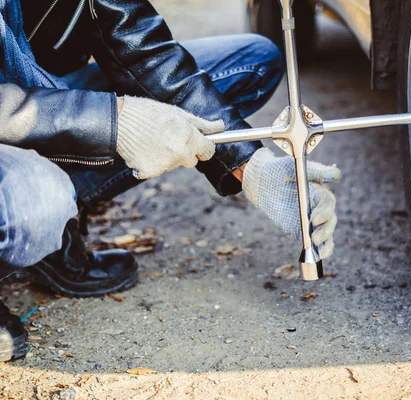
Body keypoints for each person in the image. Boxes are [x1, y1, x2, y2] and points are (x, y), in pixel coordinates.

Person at [0, 0, 340, 361]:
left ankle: (52, 225)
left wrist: (249, 164)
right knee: (38, 200)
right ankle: (35, 209)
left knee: (251, 61)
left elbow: (139, 45)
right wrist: (112, 122)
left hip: (42, 95)